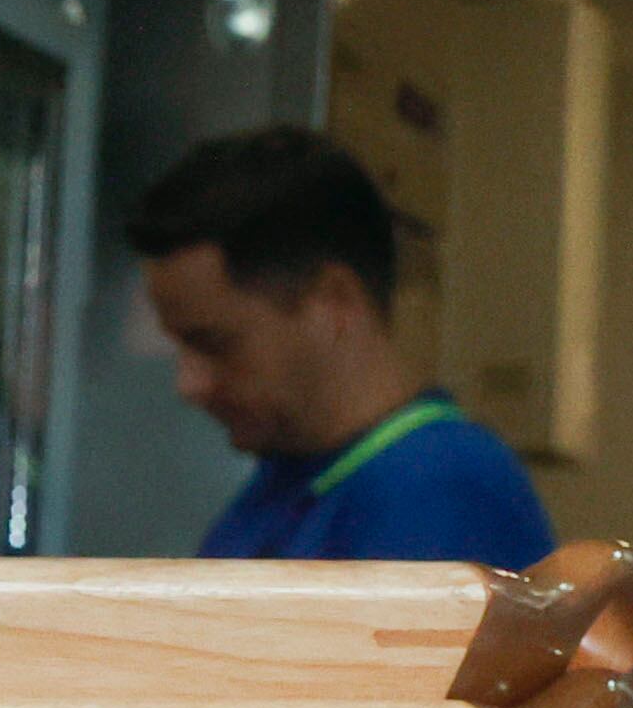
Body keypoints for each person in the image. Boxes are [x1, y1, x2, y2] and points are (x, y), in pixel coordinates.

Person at [130, 126, 554, 567]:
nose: (188, 384)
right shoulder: (295, 475)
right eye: (180, 346)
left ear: (334, 303)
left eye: (215, 343)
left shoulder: (437, 486)